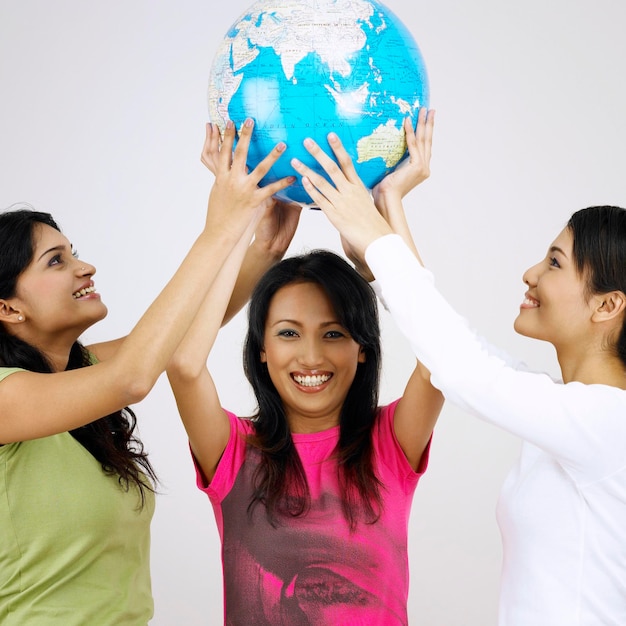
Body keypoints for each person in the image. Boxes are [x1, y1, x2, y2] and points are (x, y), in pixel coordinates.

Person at [293, 108, 626, 625]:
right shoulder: (568, 410)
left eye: (556, 263)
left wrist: (372, 234)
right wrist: (388, 206)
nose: (531, 273)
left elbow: (462, 368)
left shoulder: (609, 422)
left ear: (607, 306)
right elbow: (453, 351)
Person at [0, 119, 295, 625]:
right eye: (55, 261)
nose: (84, 267)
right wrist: (221, 226)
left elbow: (180, 330)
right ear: (8, 309)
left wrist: (262, 243)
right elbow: (133, 377)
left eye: (74, 252)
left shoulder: (79, 374)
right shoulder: (7, 397)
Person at [166, 111, 444, 625]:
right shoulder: (234, 453)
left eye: (334, 333)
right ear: (262, 349)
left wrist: (386, 218)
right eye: (288, 333)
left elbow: (441, 360)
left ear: (363, 347)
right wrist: (247, 234)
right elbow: (184, 364)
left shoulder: (389, 443)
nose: (312, 357)